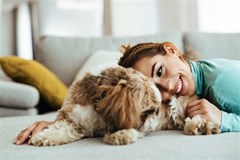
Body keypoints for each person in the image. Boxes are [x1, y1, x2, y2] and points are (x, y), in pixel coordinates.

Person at [14, 41, 240, 145]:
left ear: (171, 49)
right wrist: (61, 123)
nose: (168, 88)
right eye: (155, 89)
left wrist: (226, 120)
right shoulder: (191, 86)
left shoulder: (221, 81)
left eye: (159, 70)